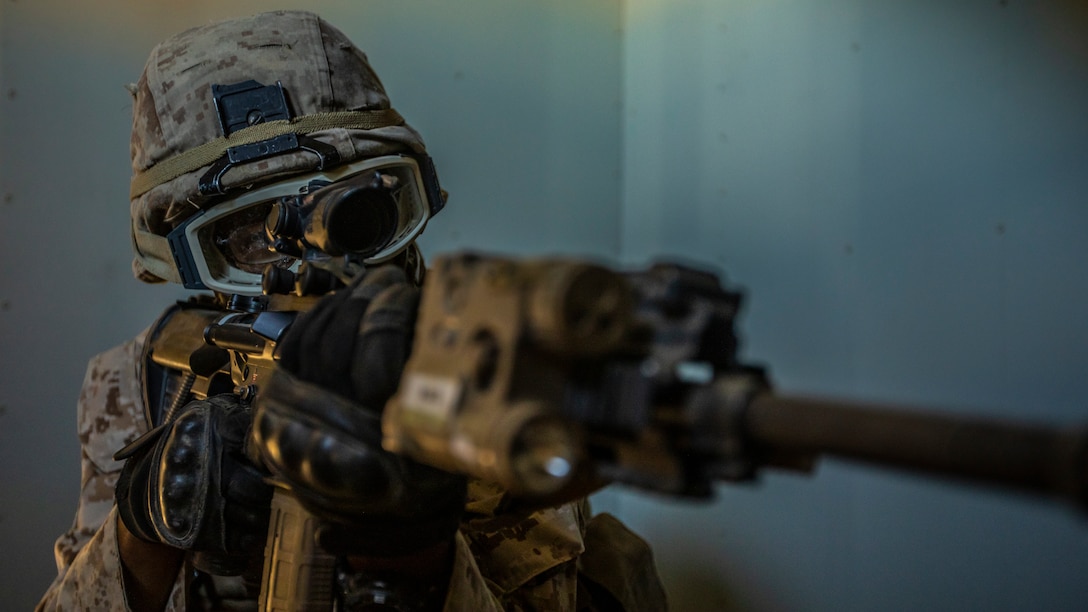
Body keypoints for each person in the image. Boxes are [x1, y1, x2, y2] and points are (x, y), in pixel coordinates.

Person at [37, 10, 666, 612]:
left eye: (350, 213)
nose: (307, 260)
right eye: (247, 237)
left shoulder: (485, 369)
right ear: (183, 254)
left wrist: (408, 553)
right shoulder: (134, 384)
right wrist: (142, 533)